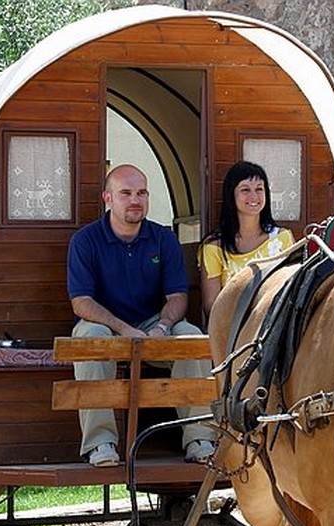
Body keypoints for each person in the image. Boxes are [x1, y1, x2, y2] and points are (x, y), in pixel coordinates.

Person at [67, 164, 216, 467]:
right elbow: (81, 302)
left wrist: (162, 327)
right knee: (91, 341)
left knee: (192, 338)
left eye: (141, 193)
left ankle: (199, 437)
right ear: (107, 198)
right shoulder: (85, 241)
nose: (135, 200)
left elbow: (177, 297)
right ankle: (101, 444)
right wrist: (123, 329)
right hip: (104, 325)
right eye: (126, 193)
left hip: (153, 323)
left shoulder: (163, 238)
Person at [198, 161, 295, 317]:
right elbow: (211, 306)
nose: (254, 196)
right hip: (231, 330)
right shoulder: (213, 247)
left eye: (259, 189)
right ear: (231, 195)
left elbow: (291, 291)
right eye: (245, 190)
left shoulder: (282, 238)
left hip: (273, 327)